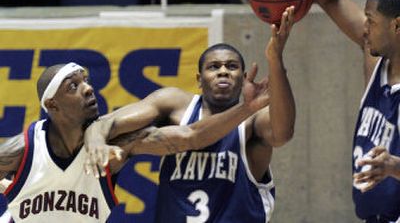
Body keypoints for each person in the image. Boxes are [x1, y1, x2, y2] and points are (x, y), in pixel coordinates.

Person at [0, 39, 271, 222]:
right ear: (52, 105)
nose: (88, 88)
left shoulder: (122, 143)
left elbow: (191, 137)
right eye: (74, 86)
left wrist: (246, 108)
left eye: (86, 81)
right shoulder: (23, 150)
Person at [84, 6, 297, 222]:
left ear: (243, 79)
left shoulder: (253, 120)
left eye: (231, 66)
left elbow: (284, 132)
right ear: (199, 80)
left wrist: (275, 60)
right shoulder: (174, 103)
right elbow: (109, 122)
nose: (223, 71)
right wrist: (95, 141)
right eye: (214, 67)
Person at [313, 0, 400, 222]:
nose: (364, 29)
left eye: (371, 22)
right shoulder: (376, 60)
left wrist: (394, 167)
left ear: (396, 26)